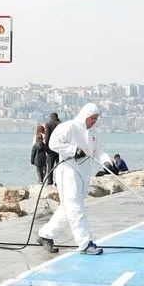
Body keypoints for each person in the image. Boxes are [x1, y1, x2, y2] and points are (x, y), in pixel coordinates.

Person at [36, 103, 111, 255]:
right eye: (92, 119)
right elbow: (53, 143)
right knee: (75, 208)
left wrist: (107, 163)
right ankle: (85, 243)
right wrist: (73, 151)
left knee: (68, 208)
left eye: (96, 119)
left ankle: (45, 235)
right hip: (68, 172)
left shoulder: (94, 132)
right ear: (85, 116)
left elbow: (99, 151)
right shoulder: (69, 127)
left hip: (83, 175)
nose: (94, 122)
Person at [44, 112, 61, 185]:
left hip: (51, 148)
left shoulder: (48, 124)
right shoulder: (60, 124)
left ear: (51, 117)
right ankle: (59, 181)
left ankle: (50, 181)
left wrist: (47, 146)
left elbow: (47, 137)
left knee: (50, 166)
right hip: (59, 148)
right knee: (59, 166)